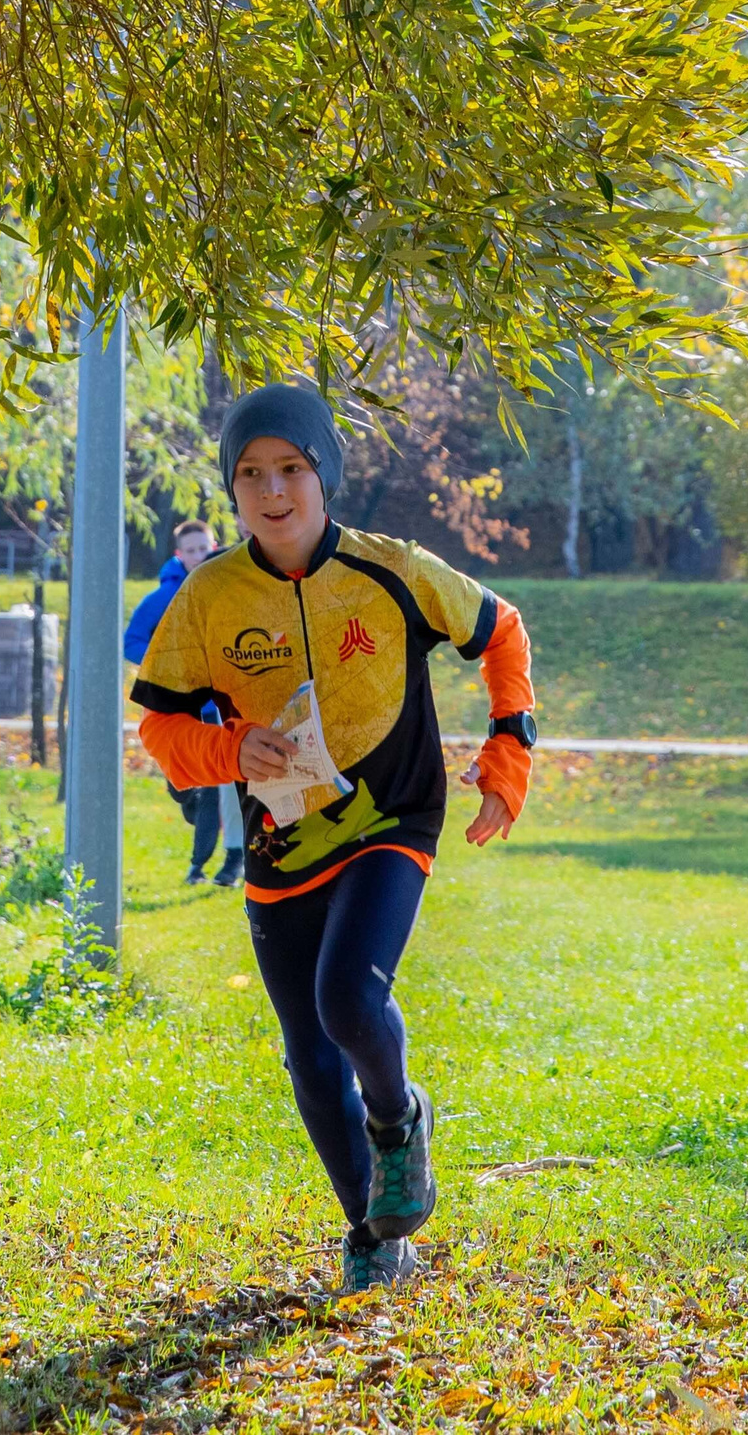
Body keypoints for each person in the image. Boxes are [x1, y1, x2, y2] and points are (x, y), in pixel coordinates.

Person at [129, 384, 535, 1293]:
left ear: (326, 476)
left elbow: (501, 631)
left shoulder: (393, 569)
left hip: (394, 813)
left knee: (348, 998)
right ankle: (374, 1234)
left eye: (292, 469)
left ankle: (398, 1120)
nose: (273, 491)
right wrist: (230, 747)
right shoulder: (208, 597)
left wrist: (508, 756)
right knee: (310, 1057)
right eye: (250, 474)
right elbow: (160, 730)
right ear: (231, 489)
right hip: (284, 843)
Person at [125, 518, 245, 887]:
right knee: (187, 790)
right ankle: (190, 810)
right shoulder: (163, 598)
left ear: (214, 548)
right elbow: (131, 642)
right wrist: (171, 664)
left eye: (203, 549)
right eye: (190, 551)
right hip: (177, 711)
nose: (197, 556)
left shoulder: (226, 587)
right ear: (179, 555)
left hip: (219, 709)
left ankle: (211, 864)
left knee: (220, 785)